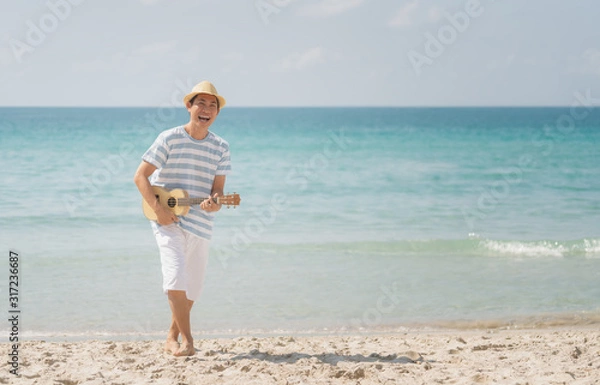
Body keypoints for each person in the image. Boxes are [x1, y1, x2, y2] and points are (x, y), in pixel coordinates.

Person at [133, 81, 231, 356]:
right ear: (189, 106)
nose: (207, 109)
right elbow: (140, 176)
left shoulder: (221, 147)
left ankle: (171, 336)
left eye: (213, 105)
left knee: (193, 290)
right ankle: (188, 341)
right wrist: (160, 209)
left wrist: (216, 203)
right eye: (201, 103)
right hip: (165, 219)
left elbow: (218, 191)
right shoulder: (170, 138)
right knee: (175, 278)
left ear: (217, 113)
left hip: (201, 223)